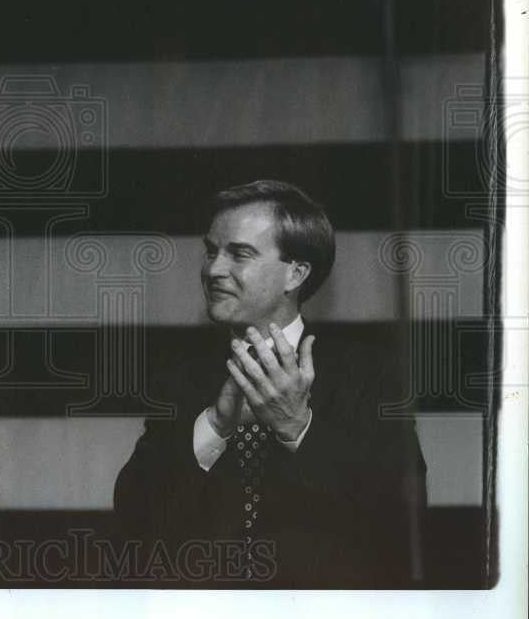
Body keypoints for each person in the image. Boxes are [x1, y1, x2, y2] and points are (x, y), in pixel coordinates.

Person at [114, 180, 426, 587]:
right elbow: (132, 517)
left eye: (239, 254)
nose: (213, 269)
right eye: (211, 251)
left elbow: (403, 523)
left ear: (295, 273)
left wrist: (297, 428)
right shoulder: (178, 376)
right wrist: (213, 428)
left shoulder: (372, 377)